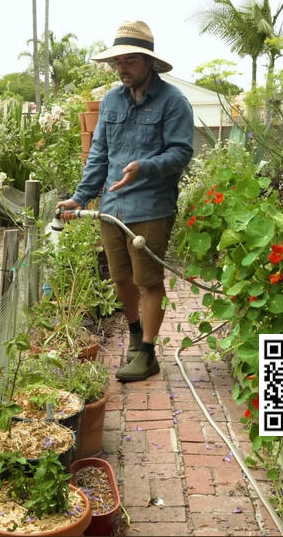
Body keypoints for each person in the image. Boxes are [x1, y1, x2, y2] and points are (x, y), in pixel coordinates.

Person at [56, 20, 193, 382]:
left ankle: (147, 353)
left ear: (149, 62)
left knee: (148, 281)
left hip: (151, 207)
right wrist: (80, 197)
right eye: (118, 62)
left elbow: (181, 152)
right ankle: (135, 334)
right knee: (121, 280)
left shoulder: (174, 102)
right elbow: (99, 153)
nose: (122, 68)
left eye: (130, 61)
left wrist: (144, 168)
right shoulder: (112, 100)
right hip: (111, 206)